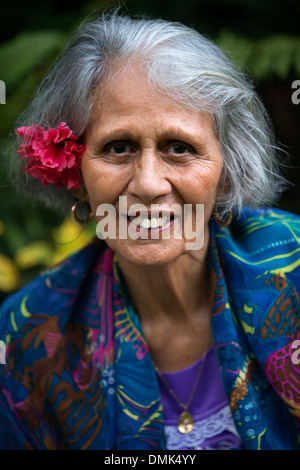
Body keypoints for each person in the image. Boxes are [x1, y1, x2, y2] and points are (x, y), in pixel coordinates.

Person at [0, 11, 299, 451]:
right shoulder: (25, 338)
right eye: (117, 147)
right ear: (76, 175)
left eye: (180, 148)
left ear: (228, 170)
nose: (148, 184)